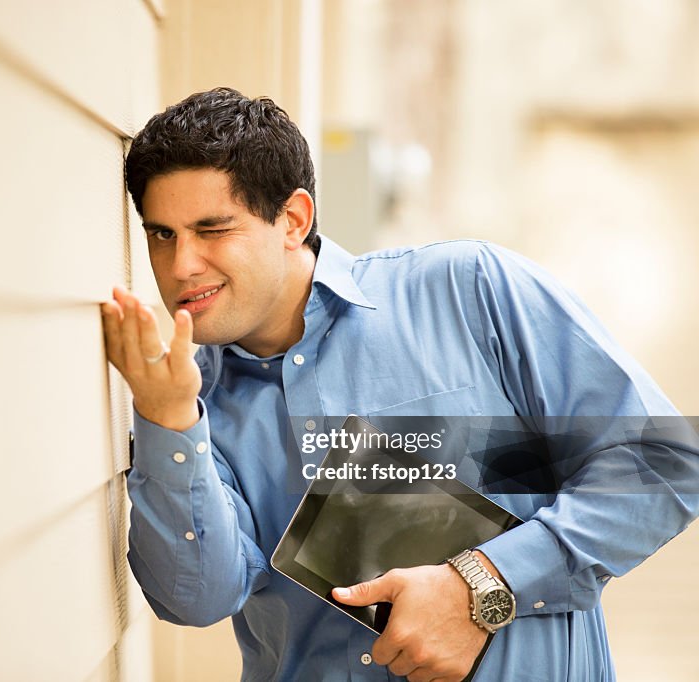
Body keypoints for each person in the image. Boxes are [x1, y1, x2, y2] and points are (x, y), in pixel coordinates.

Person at [99, 87, 699, 681]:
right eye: (161, 234)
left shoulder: (471, 292)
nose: (180, 267)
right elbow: (196, 599)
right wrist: (168, 419)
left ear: (292, 219)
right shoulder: (189, 403)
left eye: (212, 230)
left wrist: (486, 581)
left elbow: (663, 459)